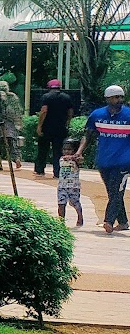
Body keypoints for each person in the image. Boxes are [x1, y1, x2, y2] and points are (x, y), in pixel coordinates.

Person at [72, 84, 130, 233]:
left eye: (121, 97)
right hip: (104, 161)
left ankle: (108, 221)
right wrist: (79, 152)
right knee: (113, 192)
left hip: (124, 161)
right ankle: (123, 222)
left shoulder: (129, 115)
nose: (119, 100)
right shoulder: (97, 115)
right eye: (116, 97)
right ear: (108, 99)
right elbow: (88, 135)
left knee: (117, 191)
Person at [34, 79, 77, 177]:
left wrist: (39, 126)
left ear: (49, 88)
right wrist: (67, 122)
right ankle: (57, 172)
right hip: (60, 128)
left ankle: (40, 170)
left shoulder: (46, 97)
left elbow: (44, 111)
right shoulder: (66, 97)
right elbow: (70, 111)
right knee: (58, 151)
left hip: (47, 128)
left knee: (42, 149)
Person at [0, 79, 24, 170]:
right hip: (10, 124)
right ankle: (17, 158)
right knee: (12, 142)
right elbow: (18, 110)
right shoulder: (13, 96)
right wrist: (18, 123)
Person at [57, 138, 84, 228]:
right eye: (64, 149)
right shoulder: (61, 159)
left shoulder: (77, 160)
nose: (66, 151)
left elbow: (81, 160)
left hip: (73, 187)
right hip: (62, 186)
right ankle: (61, 221)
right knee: (61, 203)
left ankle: (80, 217)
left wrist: (74, 157)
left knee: (75, 203)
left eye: (69, 149)